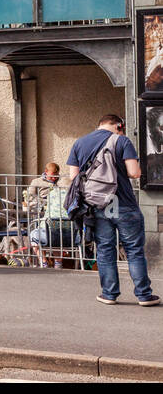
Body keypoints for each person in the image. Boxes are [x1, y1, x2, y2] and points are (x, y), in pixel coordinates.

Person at [68, 113, 159, 305]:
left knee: (105, 249)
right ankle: (144, 295)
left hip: (97, 206)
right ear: (119, 126)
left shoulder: (80, 143)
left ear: (99, 124)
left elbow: (73, 177)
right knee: (134, 250)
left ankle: (109, 294)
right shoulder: (122, 141)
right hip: (124, 204)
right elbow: (134, 172)